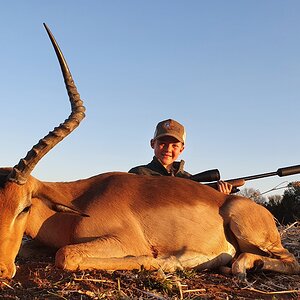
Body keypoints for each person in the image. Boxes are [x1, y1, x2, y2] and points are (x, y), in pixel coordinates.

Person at [129, 118, 235, 195]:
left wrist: (219, 197)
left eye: (174, 145)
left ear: (182, 149)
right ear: (152, 143)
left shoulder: (190, 180)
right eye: (162, 143)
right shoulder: (138, 174)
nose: (168, 149)